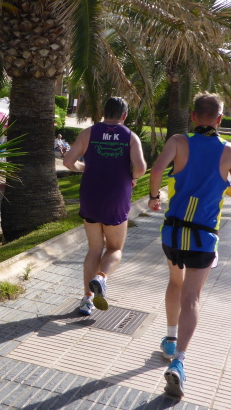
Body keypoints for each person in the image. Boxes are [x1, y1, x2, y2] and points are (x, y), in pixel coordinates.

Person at [148, 93, 231, 398]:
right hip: (204, 237)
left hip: (173, 233)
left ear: (193, 116)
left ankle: (170, 339)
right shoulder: (230, 151)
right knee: (191, 297)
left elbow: (156, 171)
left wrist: (153, 198)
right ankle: (179, 361)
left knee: (175, 282)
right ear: (220, 119)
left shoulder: (178, 141)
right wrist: (223, 186)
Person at [64, 97, 147, 316]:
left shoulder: (88, 133)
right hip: (116, 197)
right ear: (124, 115)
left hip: (90, 195)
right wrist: (131, 176)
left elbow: (68, 162)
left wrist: (84, 168)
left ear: (104, 112)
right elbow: (140, 168)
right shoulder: (130, 136)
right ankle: (101, 278)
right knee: (115, 248)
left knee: (94, 248)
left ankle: (87, 300)